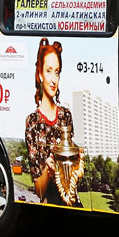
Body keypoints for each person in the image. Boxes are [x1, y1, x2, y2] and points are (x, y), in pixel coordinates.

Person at [24, 38, 83, 207]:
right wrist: (48, 173)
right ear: (40, 75)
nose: (53, 79)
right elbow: (39, 191)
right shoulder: (33, 122)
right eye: (49, 71)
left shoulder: (66, 115)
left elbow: (71, 175)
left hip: (72, 202)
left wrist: (78, 166)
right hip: (51, 207)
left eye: (57, 72)